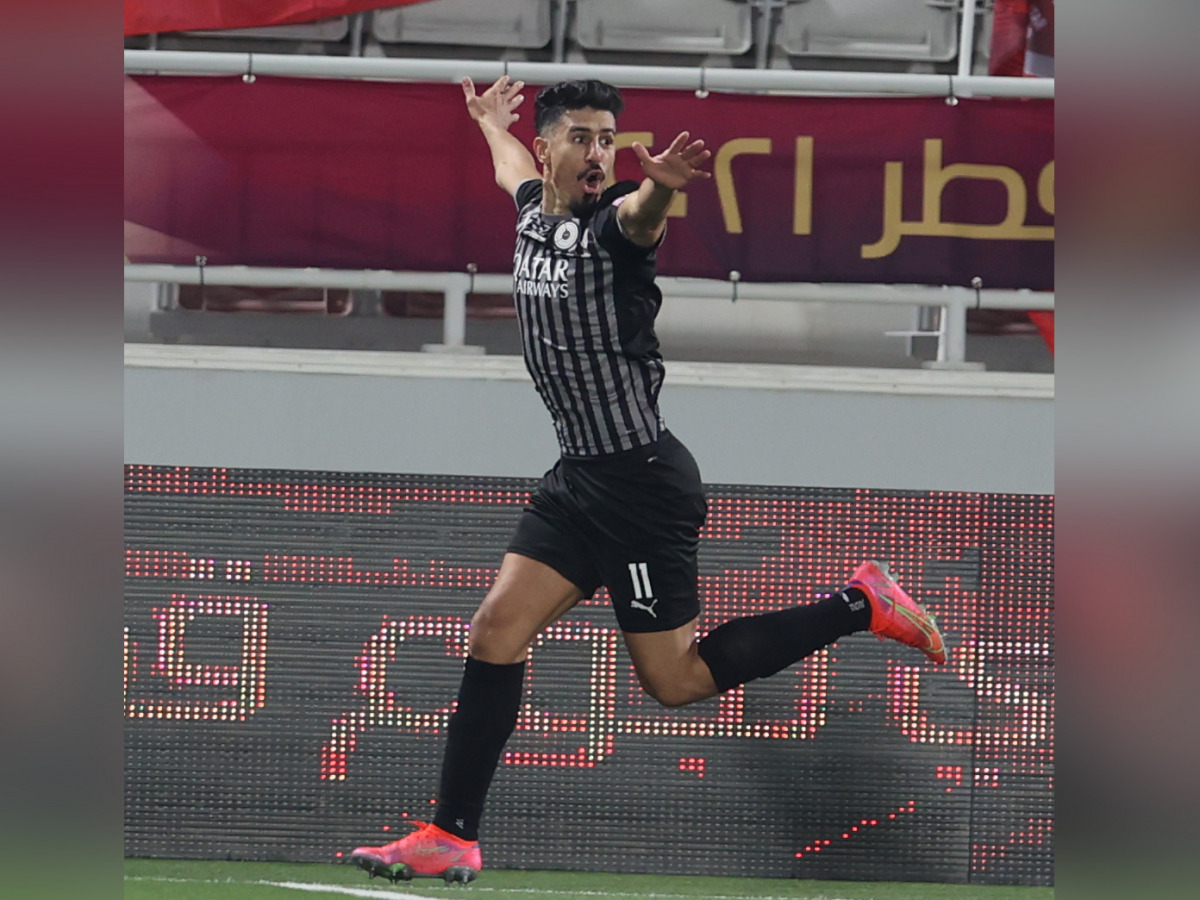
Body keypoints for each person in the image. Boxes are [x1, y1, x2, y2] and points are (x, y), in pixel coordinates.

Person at [349, 76, 946, 885]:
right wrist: (492, 122)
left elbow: (640, 221)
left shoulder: (615, 226)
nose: (598, 152)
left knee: (676, 680)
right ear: (554, 144)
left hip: (640, 485)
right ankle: (451, 835)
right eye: (583, 137)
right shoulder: (532, 209)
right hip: (577, 477)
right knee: (495, 631)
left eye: (607, 139)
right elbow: (509, 166)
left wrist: (659, 190)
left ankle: (860, 603)